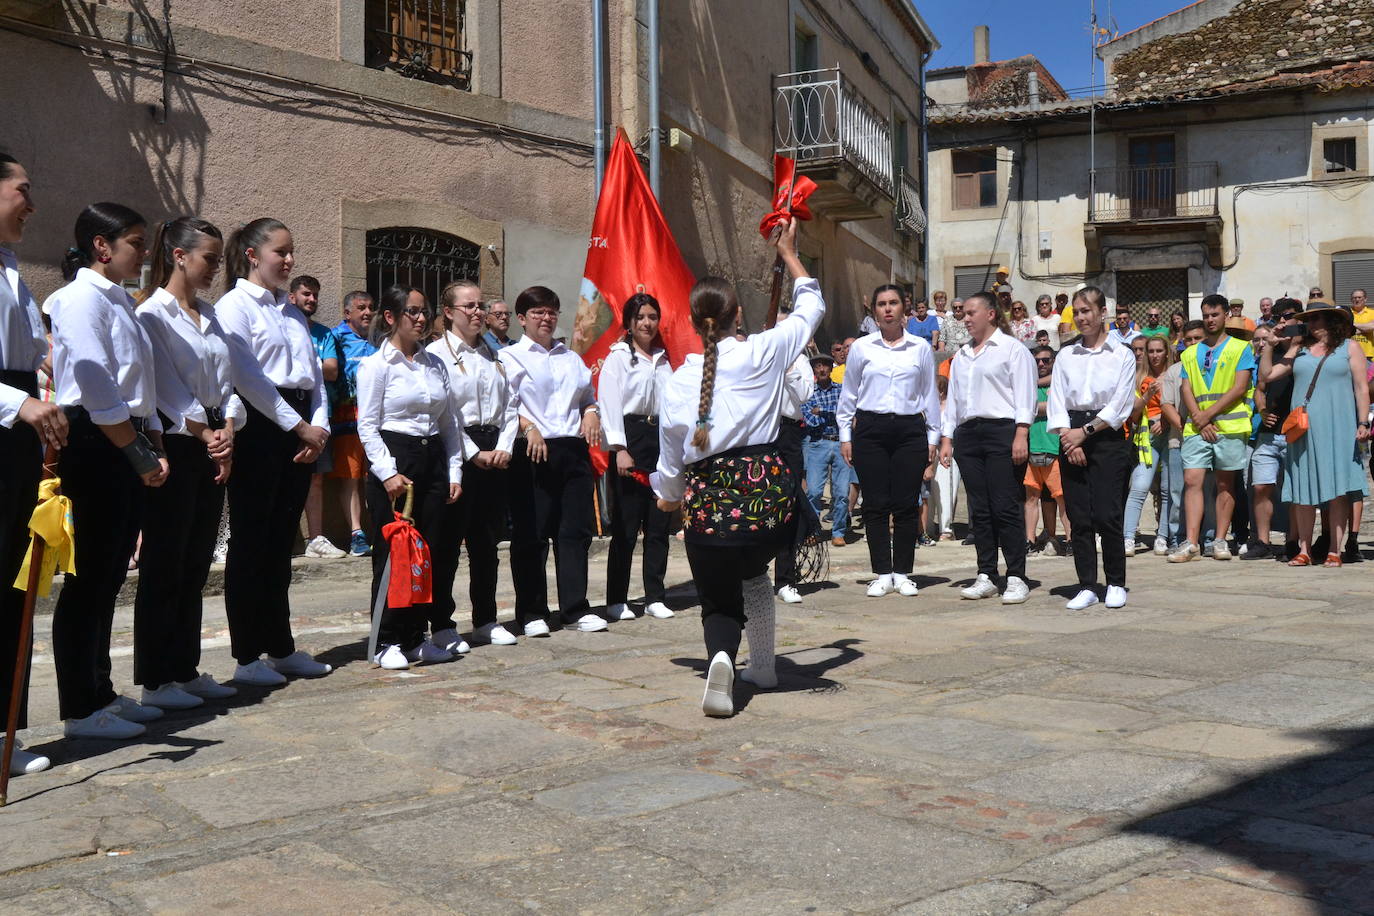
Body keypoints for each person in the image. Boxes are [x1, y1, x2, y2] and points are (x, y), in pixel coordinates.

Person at [652, 218, 820, 716]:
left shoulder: (680, 381)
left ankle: (723, 656)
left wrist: (669, 495)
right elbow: (812, 305)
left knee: (719, 599)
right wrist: (789, 254)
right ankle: (763, 666)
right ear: (737, 315)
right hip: (768, 502)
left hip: (711, 506)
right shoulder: (765, 351)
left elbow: (671, 456)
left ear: (689, 320)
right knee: (756, 576)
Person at [48, 203, 169, 739]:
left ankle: (100, 689)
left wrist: (149, 439)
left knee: (110, 574)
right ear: (103, 245)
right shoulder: (78, 298)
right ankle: (79, 707)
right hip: (99, 440)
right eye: (136, 243)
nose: (143, 253)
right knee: (88, 577)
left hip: (125, 433)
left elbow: (137, 380)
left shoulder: (120, 298)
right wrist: (135, 451)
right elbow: (96, 379)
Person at [132, 216, 244, 710]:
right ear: (179, 255)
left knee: (197, 559)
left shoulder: (211, 315)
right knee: (166, 560)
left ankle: (185, 666)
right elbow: (164, 389)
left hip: (214, 441)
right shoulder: (152, 314)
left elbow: (229, 381)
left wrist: (229, 431)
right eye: (209, 259)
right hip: (177, 442)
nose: (214, 269)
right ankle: (156, 678)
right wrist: (205, 431)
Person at [217, 218, 333, 686]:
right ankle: (247, 655)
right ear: (251, 253)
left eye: (291, 252)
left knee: (282, 541)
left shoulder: (292, 312)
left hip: (301, 426)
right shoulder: (234, 307)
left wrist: (318, 426)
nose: (288, 261)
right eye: (279, 252)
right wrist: (297, 426)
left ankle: (280, 646)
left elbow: (314, 377)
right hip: (263, 425)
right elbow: (248, 377)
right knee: (251, 541)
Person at [357, 286, 463, 667]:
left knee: (427, 553)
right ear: (391, 317)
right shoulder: (376, 366)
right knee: (394, 553)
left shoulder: (434, 364)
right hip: (395, 457)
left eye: (424, 312)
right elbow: (367, 426)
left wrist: (453, 469)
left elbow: (449, 421)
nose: (421, 319)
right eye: (413, 312)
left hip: (431, 456)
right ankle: (386, 640)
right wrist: (387, 473)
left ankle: (416, 636)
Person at [0, 153, 65, 771]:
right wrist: (18, 403)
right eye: (23, 190)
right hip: (4, 416)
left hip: (16, 429)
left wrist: (46, 398)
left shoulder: (12, 269)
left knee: (10, 582)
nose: (31, 204)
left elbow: (32, 357)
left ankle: (4, 733)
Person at [500, 286, 606, 636]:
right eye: (537, 313)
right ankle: (531, 612)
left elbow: (587, 397)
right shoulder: (510, 357)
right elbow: (506, 406)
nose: (546, 319)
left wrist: (591, 412)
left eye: (551, 312)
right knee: (532, 535)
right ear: (521, 319)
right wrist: (528, 427)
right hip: (532, 450)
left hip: (571, 449)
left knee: (574, 532)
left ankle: (574, 608)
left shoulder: (570, 357)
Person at [427, 281, 520, 647]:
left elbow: (511, 406)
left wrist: (504, 447)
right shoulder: (436, 355)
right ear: (449, 312)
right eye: (469, 306)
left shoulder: (494, 354)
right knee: (448, 543)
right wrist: (471, 453)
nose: (478, 312)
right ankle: (443, 623)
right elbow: (443, 413)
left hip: (494, 449)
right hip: (457, 450)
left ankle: (486, 618)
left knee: (487, 542)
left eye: (481, 305)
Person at [838, 283, 940, 598]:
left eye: (893, 303)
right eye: (881, 303)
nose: (887, 309)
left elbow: (929, 395)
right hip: (870, 428)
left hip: (910, 429)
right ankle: (882, 572)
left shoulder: (920, 348)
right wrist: (845, 435)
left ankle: (903, 572)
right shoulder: (862, 348)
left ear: (903, 309)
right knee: (876, 504)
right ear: (875, 312)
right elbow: (849, 394)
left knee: (907, 503)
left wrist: (933, 437)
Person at [940, 291, 1037, 604]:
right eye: (964, 314)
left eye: (971, 313)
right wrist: (947, 438)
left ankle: (1017, 576)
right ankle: (986, 573)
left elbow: (1025, 395)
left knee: (1005, 505)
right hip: (968, 434)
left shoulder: (1012, 350)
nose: (965, 319)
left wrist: (1021, 433)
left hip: (1002, 431)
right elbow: (953, 400)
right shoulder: (963, 355)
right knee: (979, 508)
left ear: (991, 314)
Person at [1047, 287, 1137, 610]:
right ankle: (1086, 583)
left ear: (1102, 314)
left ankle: (1115, 581)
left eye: (1087, 311)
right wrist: (1068, 438)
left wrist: (1084, 433)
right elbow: (1056, 400)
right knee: (1079, 514)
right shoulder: (1067, 355)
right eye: (1077, 312)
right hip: (1071, 433)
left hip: (1104, 436)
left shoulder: (1122, 354)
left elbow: (1120, 405)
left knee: (1107, 512)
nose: (1082, 317)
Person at [1266, 300, 1370, 566]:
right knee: (1302, 487)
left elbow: (1361, 388)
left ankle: (1334, 549)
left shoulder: (1350, 347)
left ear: (1330, 322)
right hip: (1303, 428)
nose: (1308, 324)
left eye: (1314, 319)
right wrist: (1270, 343)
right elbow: (1268, 375)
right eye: (1306, 320)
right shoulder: (1298, 349)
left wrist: (1363, 422)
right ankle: (1304, 549)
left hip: (1339, 425)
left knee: (1338, 490)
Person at [599, 292, 675, 620]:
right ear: (629, 322)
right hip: (630, 440)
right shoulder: (618, 357)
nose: (647, 323)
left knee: (658, 526)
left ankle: (655, 595)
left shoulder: (664, 357)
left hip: (659, 442)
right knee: (626, 529)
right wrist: (619, 449)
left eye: (652, 317)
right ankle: (617, 598)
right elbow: (610, 403)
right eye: (641, 317)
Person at [1169, 295, 1256, 563]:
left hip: (1228, 426)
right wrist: (1199, 418)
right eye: (1206, 315)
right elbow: (1186, 387)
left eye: (1215, 314)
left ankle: (1219, 540)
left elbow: (1240, 387)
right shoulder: (1191, 352)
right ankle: (1192, 542)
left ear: (1226, 315)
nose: (1210, 319)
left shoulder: (1241, 348)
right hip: (1198, 427)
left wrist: (1207, 415)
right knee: (1192, 480)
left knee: (1224, 484)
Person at [293, 275, 346, 559]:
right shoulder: (285, 327)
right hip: (287, 414)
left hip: (319, 415)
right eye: (306, 294)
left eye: (315, 295)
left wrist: (305, 363)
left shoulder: (325, 334)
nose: (311, 299)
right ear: (292, 297)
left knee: (316, 479)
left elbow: (332, 371)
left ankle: (316, 539)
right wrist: (316, 363)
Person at [1244, 301, 1301, 561]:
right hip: (1268, 433)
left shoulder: (1304, 353)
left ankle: (1293, 541)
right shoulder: (1270, 353)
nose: (1282, 321)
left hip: (1295, 432)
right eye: (1279, 317)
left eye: (1288, 317)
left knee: (1293, 490)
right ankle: (1263, 541)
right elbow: (1261, 386)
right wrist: (1263, 411)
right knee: (1261, 487)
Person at [330, 291, 377, 556]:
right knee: (350, 477)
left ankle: (383, 527)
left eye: (371, 307)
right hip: (346, 418)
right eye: (361, 308)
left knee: (377, 476)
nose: (368, 312)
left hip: (375, 418)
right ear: (348, 313)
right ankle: (356, 534)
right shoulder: (335, 338)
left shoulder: (378, 340)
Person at [1157, 320, 1208, 553]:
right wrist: (1186, 429)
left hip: (1209, 438)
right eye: (1189, 339)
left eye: (1198, 338)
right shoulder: (1174, 371)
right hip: (1179, 440)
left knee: (1207, 491)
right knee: (1177, 492)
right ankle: (1177, 538)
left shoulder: (1212, 365)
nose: (1193, 343)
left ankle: (1206, 539)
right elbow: (1166, 404)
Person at [1123, 336, 1172, 555]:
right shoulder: (1138, 377)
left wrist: (1166, 418)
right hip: (1146, 437)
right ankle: (1128, 538)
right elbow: (1133, 415)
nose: (1154, 355)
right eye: (1150, 351)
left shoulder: (1176, 374)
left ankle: (1163, 537)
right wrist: (1146, 397)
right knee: (1140, 487)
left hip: (1172, 434)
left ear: (1167, 352)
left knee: (1168, 489)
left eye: (1158, 351)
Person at [773, 346, 814, 603]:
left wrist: (788, 369)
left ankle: (785, 579)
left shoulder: (800, 360)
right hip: (760, 430)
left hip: (788, 432)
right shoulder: (761, 354)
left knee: (789, 505)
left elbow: (804, 395)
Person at [1023, 346, 1070, 556]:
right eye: (1037, 361)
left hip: (1054, 450)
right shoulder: (1027, 385)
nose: (1041, 364)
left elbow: (1051, 407)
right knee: (1032, 498)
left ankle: (1070, 540)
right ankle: (1030, 541)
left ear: (1054, 361)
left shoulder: (1060, 384)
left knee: (1062, 499)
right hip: (1031, 450)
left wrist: (1029, 406)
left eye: (1046, 360)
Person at [801, 353, 850, 550]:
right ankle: (814, 530)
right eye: (818, 366)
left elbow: (844, 414)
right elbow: (810, 421)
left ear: (831, 369)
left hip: (840, 443)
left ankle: (838, 532)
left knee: (842, 492)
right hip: (817, 443)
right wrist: (831, 412)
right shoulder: (808, 393)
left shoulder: (842, 390)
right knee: (813, 491)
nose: (821, 369)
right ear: (813, 370)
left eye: (825, 366)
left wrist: (821, 411)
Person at [930, 375, 960, 540]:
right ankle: (927, 526)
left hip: (947, 450)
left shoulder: (950, 408)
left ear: (941, 391)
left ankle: (946, 529)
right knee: (929, 491)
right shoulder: (927, 407)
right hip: (930, 451)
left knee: (946, 490)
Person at [1349, 288, 1374, 361]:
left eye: (1359, 297)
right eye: (1354, 298)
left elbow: (1372, 327)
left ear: (1365, 299)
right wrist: (1365, 328)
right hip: (1350, 354)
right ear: (1351, 300)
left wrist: (1351, 324)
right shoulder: (1347, 313)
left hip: (1368, 355)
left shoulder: (1372, 313)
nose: (1357, 300)